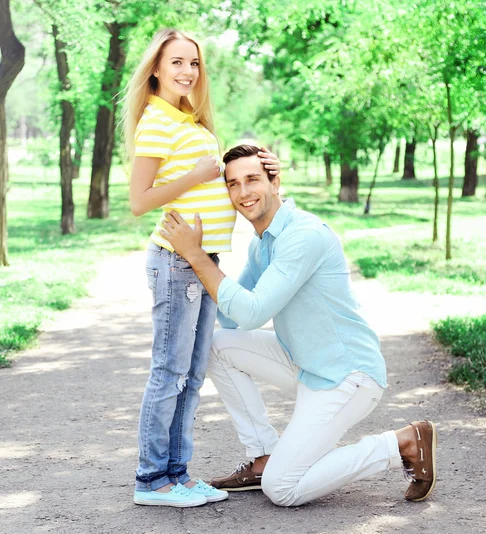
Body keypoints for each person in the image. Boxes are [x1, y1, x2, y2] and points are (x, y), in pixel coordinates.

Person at [159, 144, 437, 507]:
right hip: (304, 362)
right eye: (233, 184)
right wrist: (203, 257)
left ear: (276, 182)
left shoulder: (303, 236)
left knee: (284, 489)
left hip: (346, 376)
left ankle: (400, 443)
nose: (243, 192)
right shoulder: (263, 243)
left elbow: (252, 313)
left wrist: (195, 256)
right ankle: (263, 457)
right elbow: (230, 314)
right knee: (218, 346)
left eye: (253, 179)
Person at [123, 30, 280, 508]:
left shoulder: (189, 119)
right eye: (176, 62)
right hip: (176, 262)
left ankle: (177, 474)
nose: (187, 71)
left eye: (193, 63)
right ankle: (152, 480)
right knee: (169, 373)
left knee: (191, 376)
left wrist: (267, 171)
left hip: (201, 262)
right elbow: (138, 201)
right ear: (156, 68)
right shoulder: (156, 121)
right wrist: (195, 176)